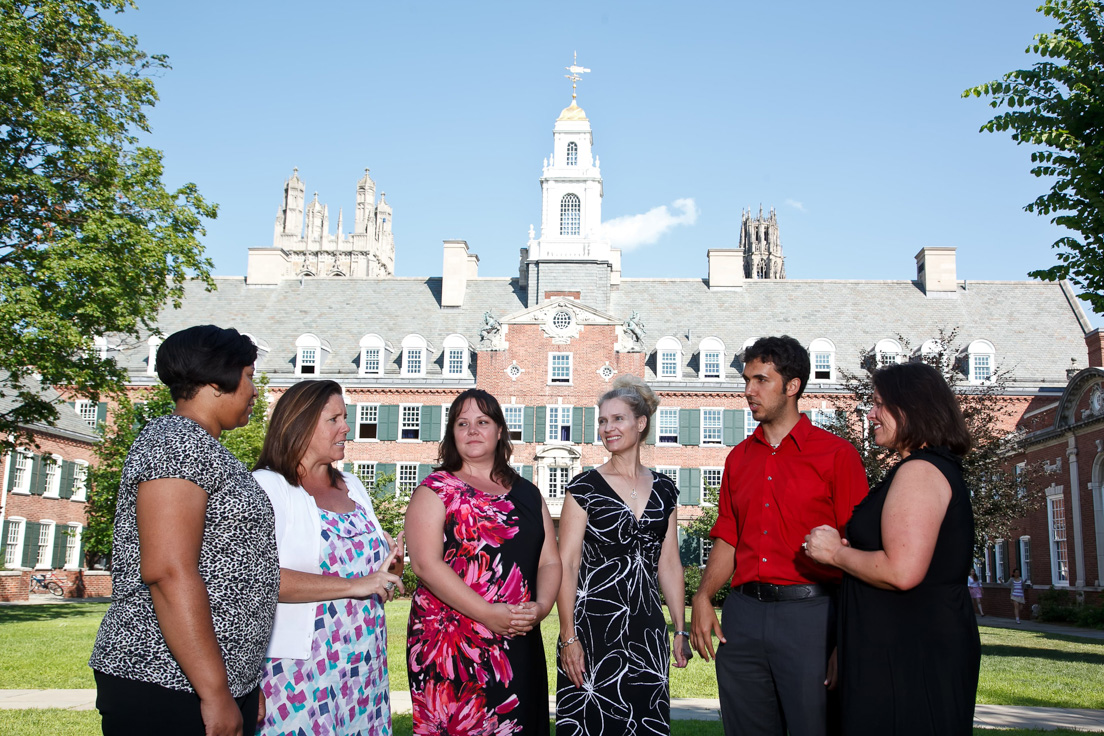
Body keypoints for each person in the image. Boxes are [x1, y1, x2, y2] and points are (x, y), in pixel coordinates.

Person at [89, 325, 279, 736]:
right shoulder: (174, 443)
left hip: (210, 681)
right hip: (165, 680)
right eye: (248, 376)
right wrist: (214, 692)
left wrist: (240, 680)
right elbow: (169, 571)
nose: (254, 390)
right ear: (217, 380)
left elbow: (239, 569)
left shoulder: (206, 448)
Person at [690, 335, 869, 736]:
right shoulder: (737, 458)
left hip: (811, 618)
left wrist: (847, 639)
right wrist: (703, 596)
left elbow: (857, 550)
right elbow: (728, 537)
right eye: (746, 380)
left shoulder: (837, 456)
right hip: (742, 618)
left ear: (792, 387)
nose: (748, 391)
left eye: (761, 380)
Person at [804, 361, 980, 735]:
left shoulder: (919, 471)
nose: (870, 414)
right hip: (898, 648)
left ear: (911, 407)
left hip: (909, 657)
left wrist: (834, 553)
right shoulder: (924, 468)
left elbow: (902, 571)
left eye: (879, 403)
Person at [252, 379, 405, 736]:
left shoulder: (353, 485)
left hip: (363, 659)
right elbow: (260, 579)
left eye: (346, 417)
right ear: (300, 424)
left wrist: (387, 568)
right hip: (299, 668)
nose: (346, 427)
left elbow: (369, 577)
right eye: (334, 419)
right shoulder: (269, 486)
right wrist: (357, 584)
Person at [405, 388, 561, 734]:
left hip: (518, 639)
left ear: (500, 430)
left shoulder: (528, 493)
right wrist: (489, 614)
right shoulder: (435, 490)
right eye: (462, 423)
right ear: (452, 434)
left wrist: (541, 607)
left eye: (482, 421)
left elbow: (549, 560)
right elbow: (426, 566)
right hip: (453, 649)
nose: (473, 430)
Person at [555, 375, 690, 736]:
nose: (607, 428)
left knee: (645, 724)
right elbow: (566, 565)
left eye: (617, 419)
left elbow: (670, 562)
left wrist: (680, 629)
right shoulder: (583, 487)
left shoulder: (666, 490)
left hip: (647, 630)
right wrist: (569, 637)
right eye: (602, 420)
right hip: (591, 629)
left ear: (641, 423)